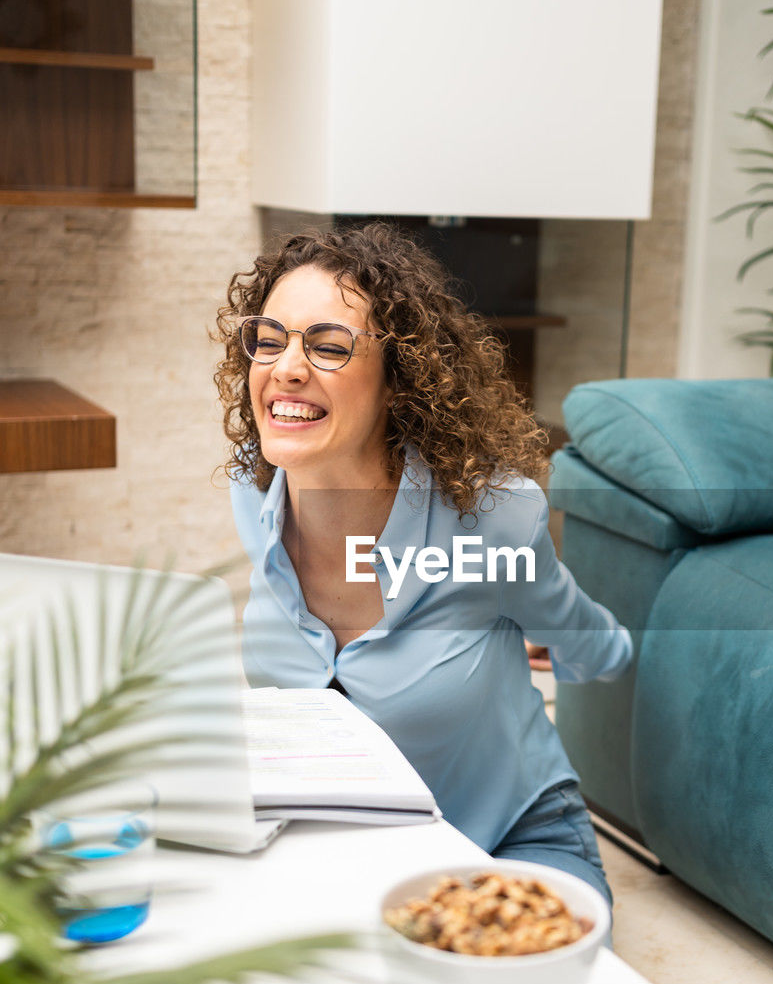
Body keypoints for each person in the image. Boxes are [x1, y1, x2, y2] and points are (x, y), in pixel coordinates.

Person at [215, 222, 631, 906]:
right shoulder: (252, 485)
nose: (285, 367)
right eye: (269, 338)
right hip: (336, 846)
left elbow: (593, 645)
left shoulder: (494, 520)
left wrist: (544, 641)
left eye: (326, 345)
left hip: (499, 842)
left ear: (396, 382)